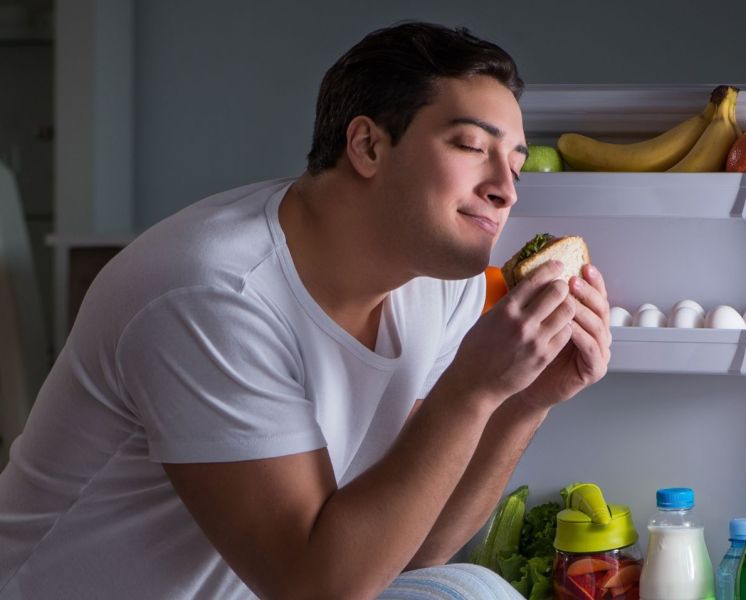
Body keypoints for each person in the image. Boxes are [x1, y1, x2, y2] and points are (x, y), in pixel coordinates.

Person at [0, 21, 610, 600]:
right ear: (368, 145)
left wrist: (525, 401)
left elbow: (417, 546)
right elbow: (315, 590)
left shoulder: (441, 284)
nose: (506, 186)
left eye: (517, 163)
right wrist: (472, 388)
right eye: (472, 146)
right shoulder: (214, 295)